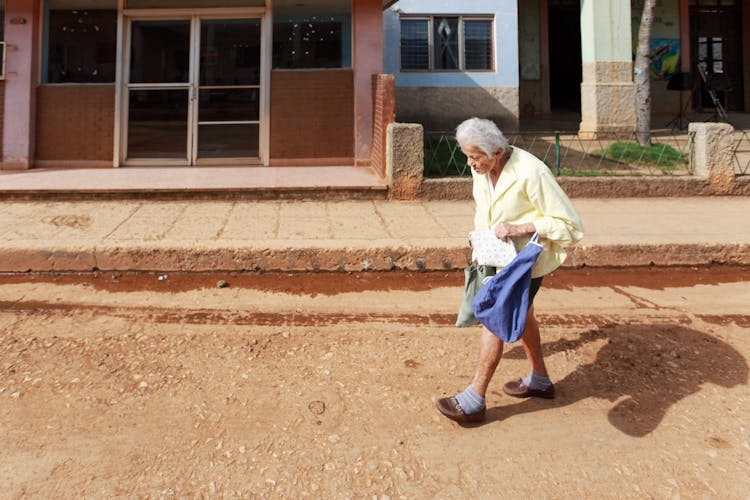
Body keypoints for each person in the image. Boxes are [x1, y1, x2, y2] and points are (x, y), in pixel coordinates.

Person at [436, 118, 584, 425]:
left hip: (525, 264)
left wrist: (521, 227)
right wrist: (479, 243)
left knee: (493, 317)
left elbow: (570, 226)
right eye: (467, 155)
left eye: (475, 157)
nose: (470, 163)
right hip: (496, 257)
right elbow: (484, 211)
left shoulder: (532, 172)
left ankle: (474, 398)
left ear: (497, 152)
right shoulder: (483, 169)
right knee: (524, 313)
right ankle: (540, 380)